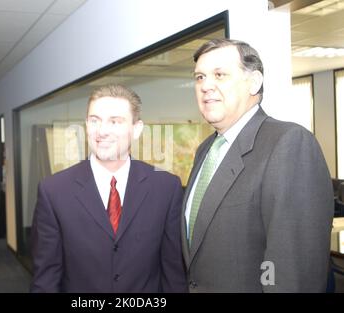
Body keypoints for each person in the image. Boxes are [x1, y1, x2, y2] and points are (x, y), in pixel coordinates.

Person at [182, 39, 334, 292]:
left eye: (219, 75)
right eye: (200, 77)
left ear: (254, 83)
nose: (206, 85)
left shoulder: (288, 143)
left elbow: (293, 271)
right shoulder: (205, 150)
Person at [30, 84, 187, 292]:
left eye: (115, 121)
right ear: (86, 125)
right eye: (95, 121)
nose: (102, 131)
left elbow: (173, 273)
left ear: (137, 129)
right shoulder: (54, 191)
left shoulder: (166, 188)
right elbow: (46, 279)